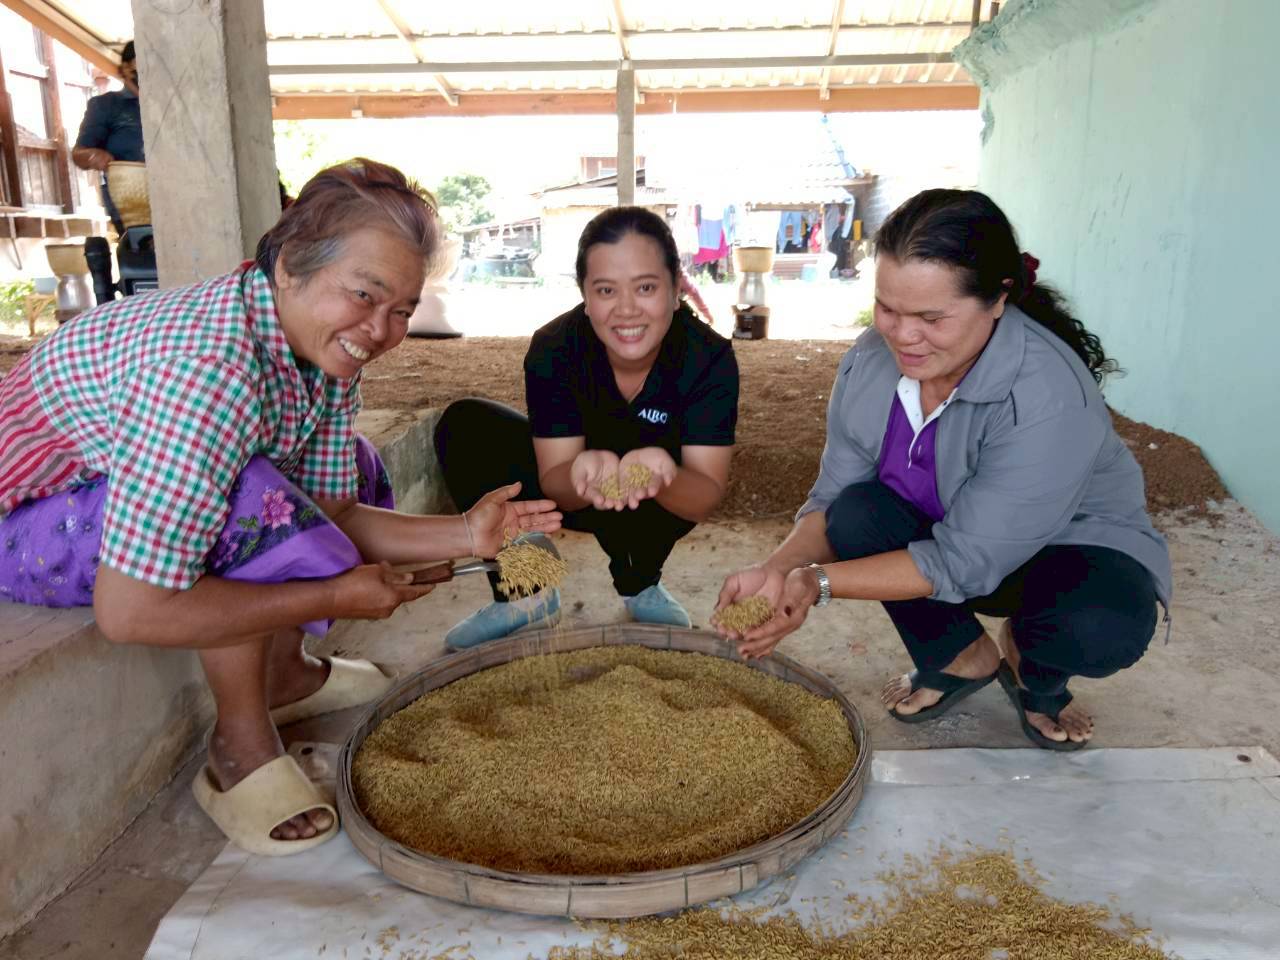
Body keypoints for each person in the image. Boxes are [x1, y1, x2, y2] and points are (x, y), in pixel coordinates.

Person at [0, 158, 561, 854]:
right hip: (24, 519)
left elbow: (334, 509)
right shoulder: (208, 378)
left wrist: (468, 534)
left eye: (402, 312)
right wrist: (330, 594)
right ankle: (238, 747)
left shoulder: (317, 352)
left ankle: (286, 672)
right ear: (291, 264)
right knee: (247, 500)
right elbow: (131, 610)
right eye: (364, 294)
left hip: (108, 488)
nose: (382, 331)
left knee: (346, 464)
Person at [713, 189, 1171, 751]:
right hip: (952, 541)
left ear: (998, 300)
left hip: (1061, 555)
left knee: (1101, 625)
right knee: (855, 512)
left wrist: (817, 583)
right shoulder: (870, 362)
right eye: (887, 308)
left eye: (931, 317)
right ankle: (960, 659)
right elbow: (834, 497)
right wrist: (779, 568)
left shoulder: (1048, 396)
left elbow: (967, 559)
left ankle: (1037, 671)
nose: (902, 336)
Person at [434, 206, 739, 649]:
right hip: (583, 490)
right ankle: (527, 594)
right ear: (585, 295)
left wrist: (662, 475)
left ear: (677, 289)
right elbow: (554, 479)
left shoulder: (707, 358)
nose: (627, 309)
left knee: (650, 479)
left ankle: (640, 580)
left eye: (647, 287)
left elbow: (705, 493)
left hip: (658, 502)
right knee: (466, 425)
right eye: (606, 290)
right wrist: (578, 474)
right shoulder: (554, 348)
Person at [72, 40, 143, 234]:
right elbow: (79, 154)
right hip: (131, 205)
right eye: (141, 63)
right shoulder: (106, 106)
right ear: (125, 68)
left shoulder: (172, 104)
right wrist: (93, 156)